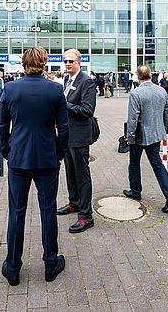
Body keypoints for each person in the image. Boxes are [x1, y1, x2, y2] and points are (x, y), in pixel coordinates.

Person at [0, 47, 68, 286]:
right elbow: (64, 128)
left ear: (23, 63)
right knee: (48, 210)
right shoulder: (56, 90)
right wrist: (58, 154)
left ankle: (13, 267)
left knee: (16, 212)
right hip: (46, 159)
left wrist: (8, 151)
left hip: (18, 159)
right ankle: (50, 264)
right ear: (45, 63)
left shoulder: (10, 88)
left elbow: (2, 126)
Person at [123, 65, 168, 213]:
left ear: (138, 76)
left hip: (139, 136)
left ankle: (135, 191)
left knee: (134, 163)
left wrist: (130, 137)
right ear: (150, 75)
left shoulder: (136, 93)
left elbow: (133, 118)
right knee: (158, 165)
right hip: (156, 134)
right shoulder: (162, 91)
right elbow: (167, 113)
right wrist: (164, 129)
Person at [57, 49, 97, 234]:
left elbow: (87, 110)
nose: (67, 64)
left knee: (82, 176)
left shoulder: (86, 81)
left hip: (80, 137)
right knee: (70, 173)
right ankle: (74, 203)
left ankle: (86, 215)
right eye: (65, 61)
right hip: (67, 136)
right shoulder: (67, 80)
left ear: (79, 63)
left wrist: (64, 104)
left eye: (71, 61)